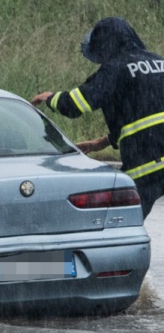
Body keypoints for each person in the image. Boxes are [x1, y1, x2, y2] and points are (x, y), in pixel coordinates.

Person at [30, 17, 164, 219]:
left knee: (122, 224)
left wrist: (50, 98)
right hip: (155, 154)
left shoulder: (116, 68)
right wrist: (101, 143)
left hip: (148, 163)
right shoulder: (158, 62)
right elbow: (145, 114)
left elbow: (77, 104)